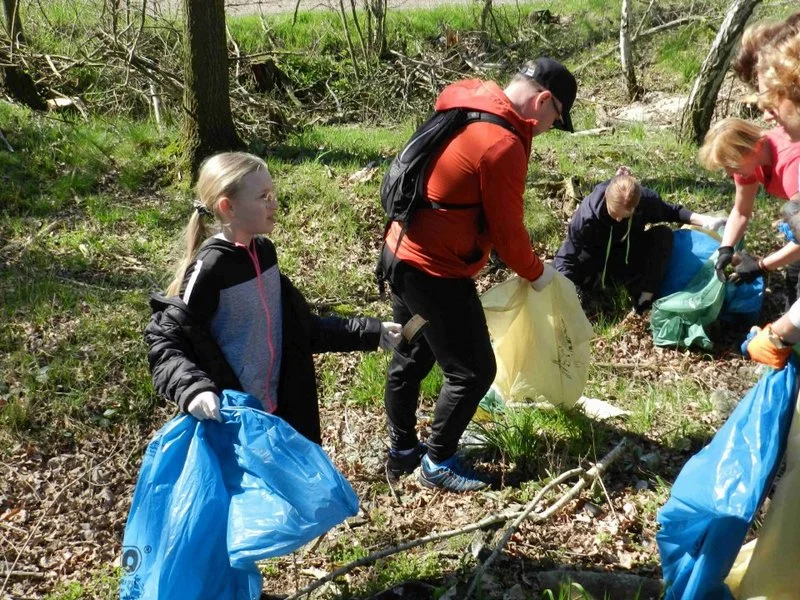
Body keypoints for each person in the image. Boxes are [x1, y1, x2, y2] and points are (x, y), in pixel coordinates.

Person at [378, 57, 576, 492]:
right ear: (543, 100)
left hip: (398, 253)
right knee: (472, 371)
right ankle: (438, 461)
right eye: (555, 119)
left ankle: (402, 452)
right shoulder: (501, 143)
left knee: (413, 355)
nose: (547, 130)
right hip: (433, 273)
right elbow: (508, 233)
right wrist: (537, 273)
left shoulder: (469, 100)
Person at [145, 152, 401, 444]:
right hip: (236, 423)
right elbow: (166, 340)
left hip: (284, 412)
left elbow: (299, 327)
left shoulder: (265, 253)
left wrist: (372, 332)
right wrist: (193, 389)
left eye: (273, 193)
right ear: (228, 207)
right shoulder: (210, 268)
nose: (274, 203)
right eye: (263, 196)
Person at [553, 166, 725, 314]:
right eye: (615, 215)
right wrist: (566, 293)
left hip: (625, 255)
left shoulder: (645, 201)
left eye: (625, 216)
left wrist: (704, 220)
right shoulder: (587, 216)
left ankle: (645, 297)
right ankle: (590, 291)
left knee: (663, 234)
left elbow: (671, 211)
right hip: (594, 259)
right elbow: (566, 256)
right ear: (606, 196)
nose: (619, 220)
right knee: (561, 270)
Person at [698, 118, 800, 284]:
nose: (729, 172)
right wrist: (726, 248)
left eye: (731, 165)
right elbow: (741, 211)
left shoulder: (792, 166)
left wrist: (761, 266)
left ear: (754, 148)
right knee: (794, 278)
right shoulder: (748, 160)